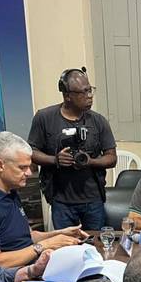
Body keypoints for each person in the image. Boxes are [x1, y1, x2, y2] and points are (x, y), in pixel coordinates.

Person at [0, 131, 87, 268]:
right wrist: (46, 245)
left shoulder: (9, 190)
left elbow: (26, 236)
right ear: (0, 165)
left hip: (33, 265)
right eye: (22, 167)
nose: (29, 173)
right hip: (16, 275)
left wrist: (59, 234)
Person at [28, 68, 117, 230]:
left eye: (90, 90)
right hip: (61, 200)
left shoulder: (98, 121)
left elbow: (112, 158)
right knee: (65, 243)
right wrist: (55, 159)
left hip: (93, 199)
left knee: (95, 243)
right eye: (84, 92)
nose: (89, 96)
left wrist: (91, 162)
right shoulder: (44, 118)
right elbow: (31, 152)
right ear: (67, 95)